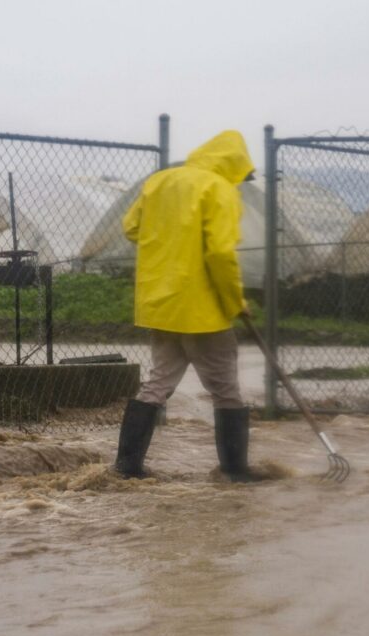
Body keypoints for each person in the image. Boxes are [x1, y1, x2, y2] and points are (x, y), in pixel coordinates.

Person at [114, 129, 259, 483]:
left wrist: (171, 237)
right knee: (226, 390)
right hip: (203, 311)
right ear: (234, 166)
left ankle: (127, 469)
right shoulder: (219, 189)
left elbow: (131, 227)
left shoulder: (160, 182)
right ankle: (235, 472)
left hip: (162, 306)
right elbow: (221, 254)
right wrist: (235, 302)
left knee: (157, 384)